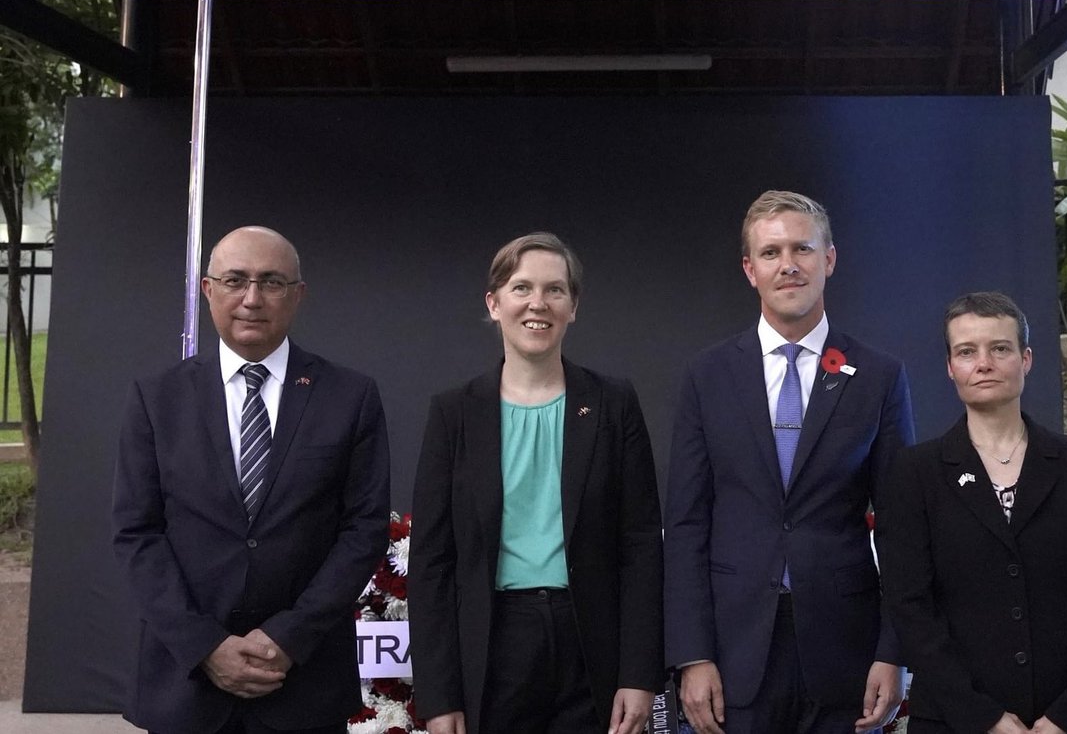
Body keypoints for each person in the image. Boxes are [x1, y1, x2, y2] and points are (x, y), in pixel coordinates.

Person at [112, 225, 391, 734]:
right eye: (236, 280)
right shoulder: (157, 399)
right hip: (186, 687)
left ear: (298, 294)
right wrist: (205, 646)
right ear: (207, 289)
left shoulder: (350, 397)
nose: (252, 298)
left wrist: (287, 638)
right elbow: (137, 533)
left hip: (303, 685)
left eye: (272, 282)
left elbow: (363, 530)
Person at [664, 189, 915, 734]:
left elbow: (901, 527)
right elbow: (685, 526)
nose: (788, 266)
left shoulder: (877, 376)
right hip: (733, 657)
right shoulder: (706, 377)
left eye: (802, 249)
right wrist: (691, 654)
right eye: (771, 253)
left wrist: (894, 651)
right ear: (750, 269)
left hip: (847, 651)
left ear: (828, 260)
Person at [408, 231, 663, 734]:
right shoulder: (454, 412)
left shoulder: (613, 403)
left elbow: (640, 546)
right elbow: (432, 562)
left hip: (591, 644)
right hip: (495, 645)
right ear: (494, 302)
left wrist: (639, 674)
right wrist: (439, 696)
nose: (538, 303)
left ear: (573, 306)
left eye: (555, 290)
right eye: (521, 287)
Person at [875, 291, 1067, 734]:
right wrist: (982, 718)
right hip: (955, 719)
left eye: (1000, 348)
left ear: (1026, 359)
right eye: (967, 352)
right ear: (951, 368)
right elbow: (911, 606)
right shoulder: (916, 473)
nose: (984, 363)